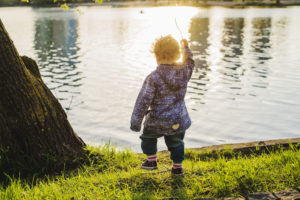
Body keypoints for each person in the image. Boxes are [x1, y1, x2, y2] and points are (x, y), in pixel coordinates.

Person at [130, 35, 194, 175]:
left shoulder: (153, 77)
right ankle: (177, 167)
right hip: (178, 120)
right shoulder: (184, 73)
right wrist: (186, 49)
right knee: (176, 143)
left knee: (148, 138)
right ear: (178, 55)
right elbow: (190, 63)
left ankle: (151, 160)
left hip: (157, 120)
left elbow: (142, 102)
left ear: (156, 55)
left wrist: (136, 122)